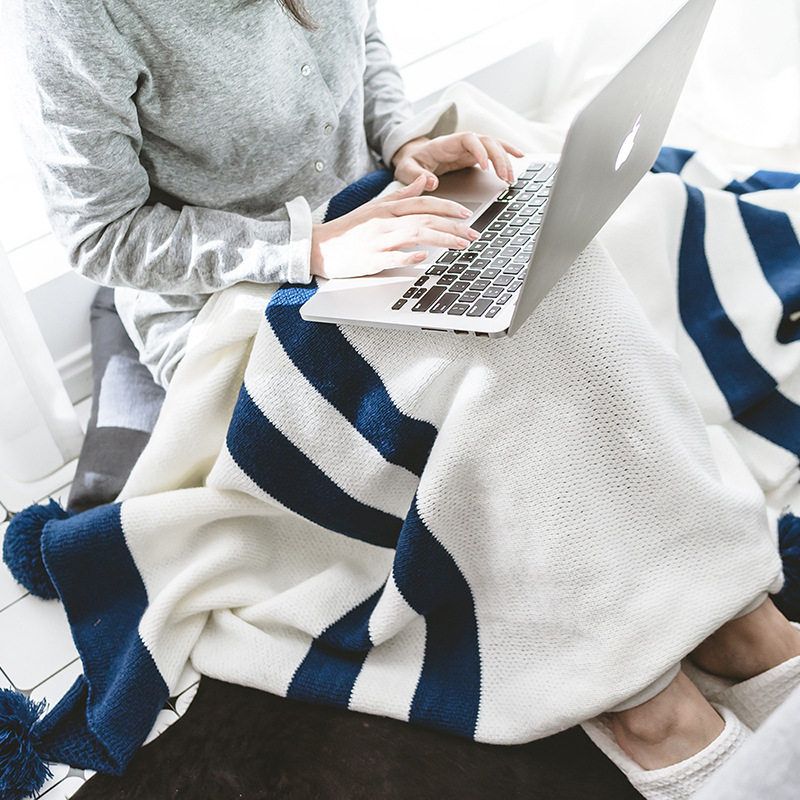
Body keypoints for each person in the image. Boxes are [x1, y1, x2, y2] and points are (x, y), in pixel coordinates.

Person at [5, 0, 800, 797]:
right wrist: (308, 248)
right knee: (492, 374)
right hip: (240, 301)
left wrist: (402, 140)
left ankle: (735, 619)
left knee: (562, 279)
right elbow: (100, 233)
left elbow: (363, 36)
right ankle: (644, 705)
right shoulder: (76, 15)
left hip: (378, 221)